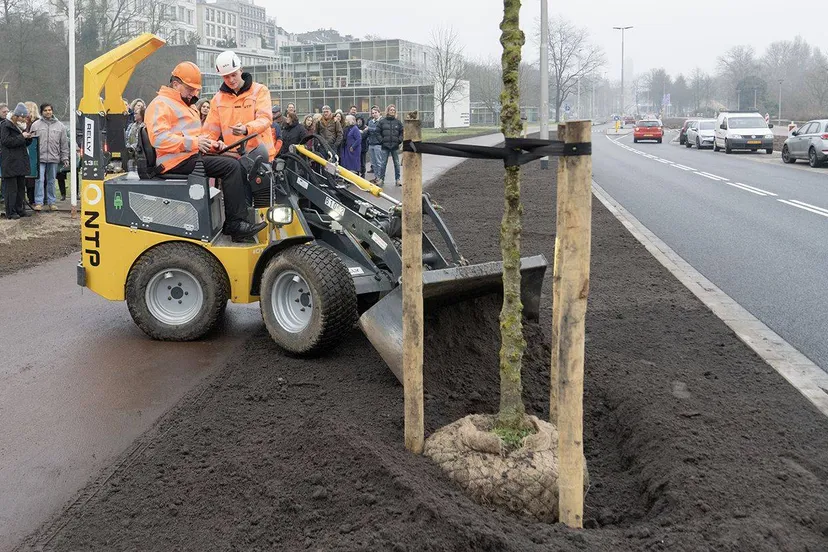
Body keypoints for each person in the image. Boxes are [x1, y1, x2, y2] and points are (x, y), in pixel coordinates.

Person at [144, 61, 265, 241]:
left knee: (236, 163)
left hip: (189, 156)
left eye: (196, 89)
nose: (195, 93)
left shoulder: (186, 105)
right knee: (232, 167)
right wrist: (195, 143)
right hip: (174, 162)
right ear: (176, 84)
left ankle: (237, 220)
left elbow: (198, 135)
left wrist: (215, 145)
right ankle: (235, 224)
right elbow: (159, 139)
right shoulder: (161, 104)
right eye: (190, 88)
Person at [202, 50, 277, 163]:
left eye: (234, 75)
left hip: (262, 157)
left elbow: (265, 118)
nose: (231, 80)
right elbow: (209, 133)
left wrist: (246, 129)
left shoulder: (259, 91)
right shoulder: (217, 100)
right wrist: (215, 145)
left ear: (241, 70)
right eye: (226, 77)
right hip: (235, 159)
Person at [30, 103, 69, 211]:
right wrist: (32, 158)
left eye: (50, 110)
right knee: (39, 180)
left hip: (53, 157)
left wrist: (65, 157)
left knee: (51, 180)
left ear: (52, 111)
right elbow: (31, 142)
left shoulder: (60, 126)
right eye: (46, 110)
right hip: (40, 158)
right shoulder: (35, 125)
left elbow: (64, 144)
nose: (48, 112)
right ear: (42, 112)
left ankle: (52, 202)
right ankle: (39, 202)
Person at [1, 103, 34, 220]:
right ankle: (11, 212)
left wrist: (28, 139)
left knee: (20, 188)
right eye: (23, 117)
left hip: (19, 162)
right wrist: (22, 137)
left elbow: (21, 143)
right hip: (10, 162)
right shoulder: (5, 125)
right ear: (17, 116)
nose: (24, 119)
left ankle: (20, 209)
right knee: (11, 190)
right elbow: (6, 141)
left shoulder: (19, 127)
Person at [376, 104, 403, 186]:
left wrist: (399, 140)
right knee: (383, 163)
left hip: (395, 146)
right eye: (391, 110)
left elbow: (402, 132)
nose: (392, 111)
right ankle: (381, 179)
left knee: (396, 163)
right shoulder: (382, 122)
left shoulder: (398, 122)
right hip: (385, 146)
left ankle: (398, 179)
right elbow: (377, 132)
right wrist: (382, 141)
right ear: (388, 111)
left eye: (394, 110)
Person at [366, 106, 382, 184]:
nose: (374, 114)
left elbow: (377, 130)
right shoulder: (370, 122)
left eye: (376, 112)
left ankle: (380, 177)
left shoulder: (381, 121)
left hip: (378, 144)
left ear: (379, 113)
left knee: (379, 162)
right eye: (373, 113)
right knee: (373, 162)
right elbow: (370, 131)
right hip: (371, 143)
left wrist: (369, 128)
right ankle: (376, 177)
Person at [0, 102, 8, 203]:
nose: (6, 113)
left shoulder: (8, 123)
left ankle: (4, 195)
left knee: (5, 175)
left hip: (5, 153)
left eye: (7, 111)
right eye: (3, 111)